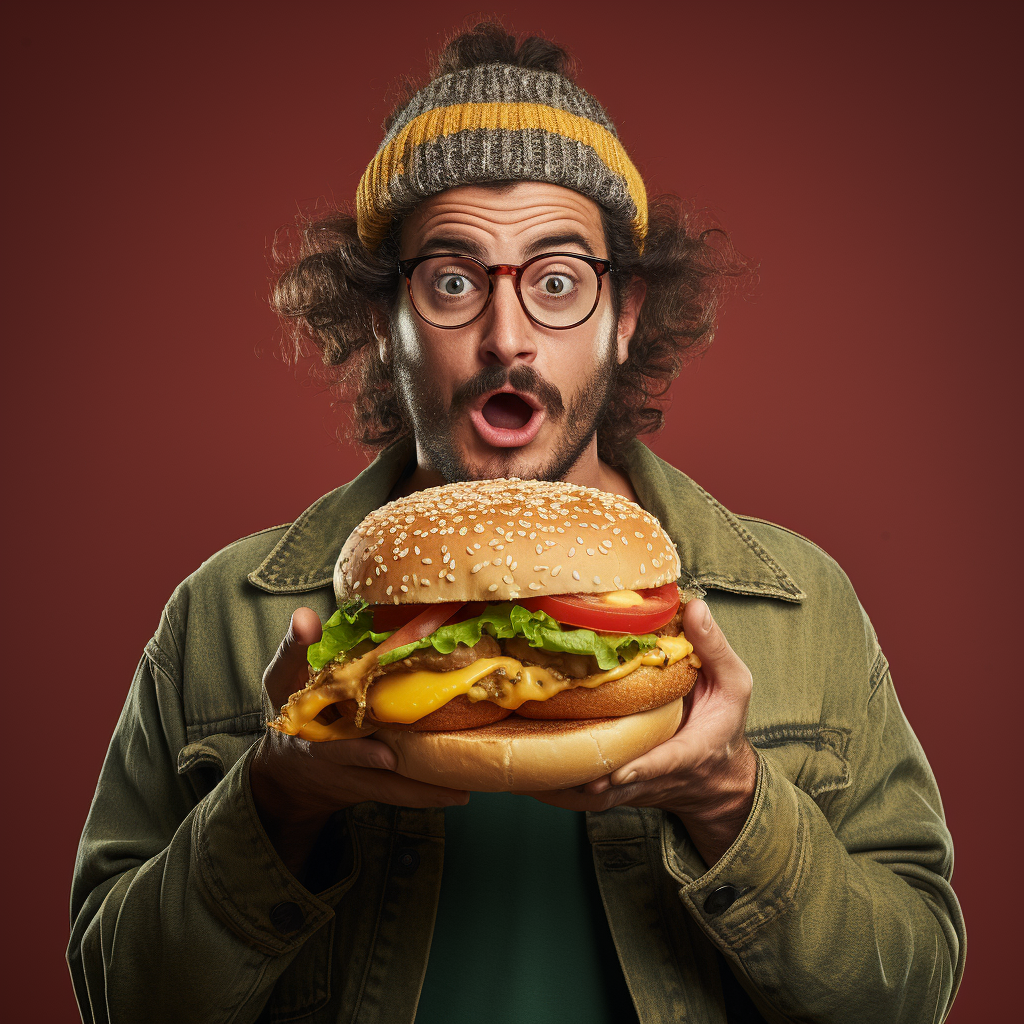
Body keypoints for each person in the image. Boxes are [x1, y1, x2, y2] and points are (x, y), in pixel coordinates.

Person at [68, 24, 965, 1024]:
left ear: (622, 316)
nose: (507, 336)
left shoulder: (799, 600)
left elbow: (911, 988)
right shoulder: (224, 612)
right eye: (451, 280)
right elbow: (116, 997)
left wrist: (730, 798)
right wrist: (277, 797)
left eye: (556, 281)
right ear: (381, 320)